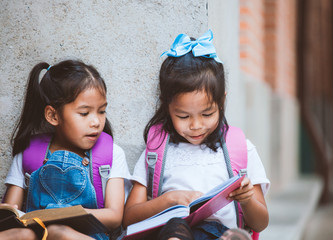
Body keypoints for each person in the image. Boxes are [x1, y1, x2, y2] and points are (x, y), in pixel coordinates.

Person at [123, 30, 270, 239]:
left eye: (207, 114)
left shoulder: (240, 148)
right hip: (175, 233)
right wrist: (170, 200)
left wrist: (246, 199)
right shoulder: (157, 151)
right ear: (167, 107)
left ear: (222, 103)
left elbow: (261, 223)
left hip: (222, 233)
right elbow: (129, 217)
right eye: (183, 116)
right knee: (175, 228)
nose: (196, 125)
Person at [2, 60, 131, 240]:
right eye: (84, 113)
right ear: (53, 115)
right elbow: (11, 211)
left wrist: (64, 216)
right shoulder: (29, 153)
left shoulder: (111, 154)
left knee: (57, 232)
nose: (96, 122)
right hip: (37, 233)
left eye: (101, 111)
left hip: (86, 235)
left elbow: (114, 217)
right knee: (21, 234)